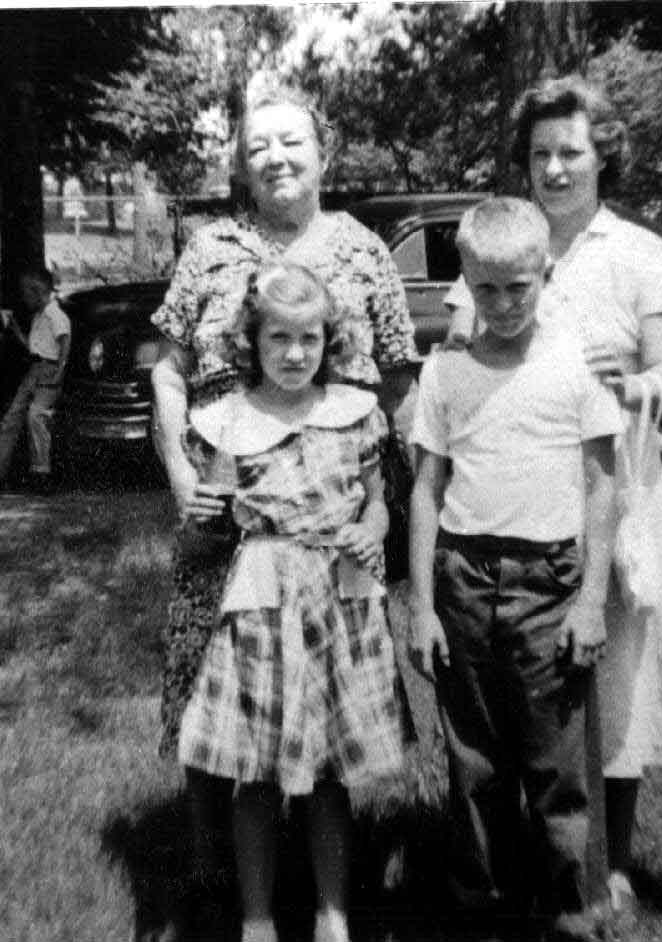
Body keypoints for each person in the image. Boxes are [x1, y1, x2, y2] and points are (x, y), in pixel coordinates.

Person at [149, 72, 417, 933]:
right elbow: (168, 369)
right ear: (239, 163)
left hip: (334, 504)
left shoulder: (362, 251)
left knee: (326, 713)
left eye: (291, 140)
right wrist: (182, 474)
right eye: (256, 145)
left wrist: (395, 506)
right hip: (225, 497)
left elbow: (400, 380)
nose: (275, 157)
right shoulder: (210, 248)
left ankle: (321, 896)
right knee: (218, 696)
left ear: (323, 151)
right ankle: (216, 875)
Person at [444, 76, 662, 914]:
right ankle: (525, 858)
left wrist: (630, 383)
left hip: (613, 492)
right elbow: (461, 346)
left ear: (603, 158)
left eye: (570, 152)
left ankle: (609, 862)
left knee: (613, 676)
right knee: (522, 690)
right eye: (539, 155)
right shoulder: (503, 245)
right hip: (512, 502)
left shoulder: (636, 252)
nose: (554, 169)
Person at [409, 197, 623, 941]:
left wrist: (590, 601)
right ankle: (481, 898)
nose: (501, 304)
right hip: (462, 575)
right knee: (473, 755)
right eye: (485, 288)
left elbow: (602, 485)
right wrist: (421, 607)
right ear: (463, 282)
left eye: (518, 287)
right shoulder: (444, 375)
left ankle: (571, 904)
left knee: (554, 757)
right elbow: (426, 490)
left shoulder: (577, 364)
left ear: (545, 276)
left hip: (550, 578)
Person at [177, 263, 409, 942]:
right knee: (256, 773)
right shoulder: (228, 422)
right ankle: (257, 919)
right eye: (278, 337)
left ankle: (332, 914)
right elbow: (205, 532)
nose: (294, 353)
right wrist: (200, 515)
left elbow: (377, 503)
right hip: (262, 605)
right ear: (251, 342)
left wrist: (371, 530)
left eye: (309, 338)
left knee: (330, 774)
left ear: (329, 341)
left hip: (338, 600)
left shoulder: (353, 414)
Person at [0, 268, 70, 490]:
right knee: (11, 418)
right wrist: (14, 328)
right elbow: (32, 347)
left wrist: (60, 369)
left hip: (49, 369)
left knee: (36, 416)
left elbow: (64, 340)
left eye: (26, 294)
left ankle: (41, 472)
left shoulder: (55, 315)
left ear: (38, 291)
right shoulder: (38, 317)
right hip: (34, 369)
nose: (24, 299)